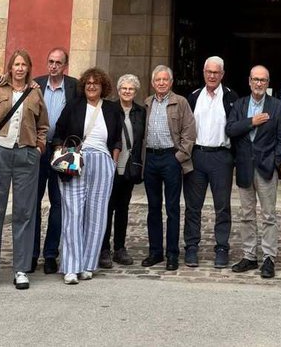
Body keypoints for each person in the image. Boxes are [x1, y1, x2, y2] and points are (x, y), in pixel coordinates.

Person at [0, 49, 49, 291]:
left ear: (28, 68)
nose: (19, 68)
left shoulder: (35, 93)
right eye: (16, 64)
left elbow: (43, 125)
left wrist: (38, 148)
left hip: (26, 153)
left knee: (24, 212)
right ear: (10, 67)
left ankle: (21, 268)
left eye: (23, 65)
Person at [53, 68, 122, 284]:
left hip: (102, 161)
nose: (92, 86)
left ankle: (88, 264)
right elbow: (59, 132)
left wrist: (113, 161)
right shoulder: (74, 106)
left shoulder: (111, 109)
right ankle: (71, 267)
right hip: (76, 161)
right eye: (88, 83)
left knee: (97, 214)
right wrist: (63, 155)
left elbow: (117, 138)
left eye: (96, 83)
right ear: (83, 86)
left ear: (103, 87)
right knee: (73, 212)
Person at [225, 65, 281, 278]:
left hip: (266, 168)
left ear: (268, 83)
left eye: (263, 80)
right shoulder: (240, 105)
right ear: (249, 81)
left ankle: (269, 257)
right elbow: (230, 129)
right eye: (255, 79)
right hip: (244, 166)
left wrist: (275, 162)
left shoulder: (276, 106)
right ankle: (249, 256)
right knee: (246, 215)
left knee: (269, 215)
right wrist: (252, 121)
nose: (259, 83)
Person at [184, 57, 239, 268]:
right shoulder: (194, 97)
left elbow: (235, 128)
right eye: (209, 72)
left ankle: (222, 247)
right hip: (197, 155)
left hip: (221, 157)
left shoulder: (231, 97)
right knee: (192, 206)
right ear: (203, 72)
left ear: (222, 74)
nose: (212, 76)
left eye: (216, 72)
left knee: (222, 206)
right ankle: (191, 246)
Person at [142, 65, 196, 271]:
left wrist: (179, 156)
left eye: (165, 80)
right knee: (153, 207)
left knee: (172, 208)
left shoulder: (180, 102)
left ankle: (172, 253)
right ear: (153, 82)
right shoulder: (147, 102)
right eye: (158, 80)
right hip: (151, 159)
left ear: (171, 82)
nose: (161, 83)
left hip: (170, 158)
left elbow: (190, 132)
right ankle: (155, 251)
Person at [33, 48, 79, 275]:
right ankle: (31, 254)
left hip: (62, 151)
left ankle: (51, 254)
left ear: (65, 65)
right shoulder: (35, 84)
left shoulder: (74, 87)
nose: (53, 66)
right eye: (50, 61)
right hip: (36, 151)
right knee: (33, 202)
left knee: (59, 204)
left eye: (58, 63)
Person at [99, 74, 146, 268]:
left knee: (123, 208)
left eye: (131, 89)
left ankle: (120, 247)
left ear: (135, 92)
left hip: (129, 166)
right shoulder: (109, 109)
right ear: (118, 91)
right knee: (107, 208)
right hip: (111, 163)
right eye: (124, 89)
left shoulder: (140, 112)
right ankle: (103, 249)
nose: (127, 92)